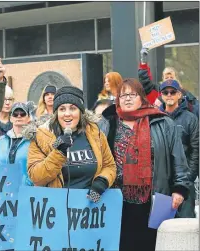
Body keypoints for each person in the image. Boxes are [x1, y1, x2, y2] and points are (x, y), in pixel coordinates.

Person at [99, 78, 190, 251]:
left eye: (132, 94)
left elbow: (178, 159)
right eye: (123, 95)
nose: (127, 98)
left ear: (142, 97)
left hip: (154, 200)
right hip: (116, 200)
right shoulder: (107, 123)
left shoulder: (163, 123)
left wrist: (180, 188)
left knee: (151, 245)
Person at [26, 86, 116, 203]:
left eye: (73, 108)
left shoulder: (95, 133)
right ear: (56, 113)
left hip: (88, 209)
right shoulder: (41, 136)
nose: (67, 114)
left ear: (81, 111)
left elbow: (109, 165)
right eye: (62, 109)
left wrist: (102, 181)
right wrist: (59, 153)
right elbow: (36, 177)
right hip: (56, 210)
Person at [159, 79, 199, 218]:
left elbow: (196, 151)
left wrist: (188, 178)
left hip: (185, 182)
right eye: (165, 92)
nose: (169, 95)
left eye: (173, 92)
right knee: (161, 226)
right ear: (161, 95)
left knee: (186, 225)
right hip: (162, 184)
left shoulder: (190, 119)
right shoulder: (155, 119)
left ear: (179, 95)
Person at [138, 48, 199, 118]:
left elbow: (196, 109)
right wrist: (143, 63)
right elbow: (145, 82)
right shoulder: (157, 90)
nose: (169, 80)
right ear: (163, 79)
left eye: (171, 77)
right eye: (166, 78)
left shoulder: (185, 94)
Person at [0, 102, 34, 186]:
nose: (19, 116)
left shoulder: (34, 140)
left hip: (26, 191)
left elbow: (39, 167)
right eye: (15, 114)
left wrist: (27, 182)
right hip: (3, 189)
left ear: (28, 118)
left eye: (23, 114)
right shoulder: (2, 140)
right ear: (11, 118)